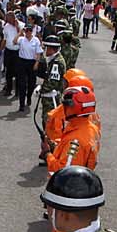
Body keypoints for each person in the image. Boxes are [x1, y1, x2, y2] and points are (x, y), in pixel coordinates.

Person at [45, 86, 100, 232]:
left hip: (68, 194)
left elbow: (63, 171)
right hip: (84, 183)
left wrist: (48, 154)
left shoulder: (75, 139)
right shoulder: (91, 129)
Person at [34, 36, 67, 164]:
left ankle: (52, 156)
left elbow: (52, 83)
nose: (44, 50)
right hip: (48, 99)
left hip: (51, 100)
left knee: (51, 129)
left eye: (46, 48)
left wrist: (40, 89)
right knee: (47, 128)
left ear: (51, 49)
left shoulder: (57, 63)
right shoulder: (53, 60)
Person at [14, 22, 41, 112]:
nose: (28, 32)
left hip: (32, 62)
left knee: (31, 83)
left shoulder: (36, 40)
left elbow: (38, 53)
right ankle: (21, 104)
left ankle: (29, 96)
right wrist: (19, 33)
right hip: (22, 62)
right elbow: (14, 41)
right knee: (22, 84)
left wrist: (37, 63)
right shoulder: (21, 39)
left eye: (29, 30)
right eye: (26, 30)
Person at [1, 10, 21, 97]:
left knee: (18, 72)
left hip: (17, 52)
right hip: (8, 51)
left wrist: (17, 27)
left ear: (13, 17)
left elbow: (23, 36)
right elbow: (5, 39)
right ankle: (8, 89)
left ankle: (17, 91)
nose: (7, 20)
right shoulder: (6, 26)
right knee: (8, 71)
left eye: (9, 18)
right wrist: (1, 48)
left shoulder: (21, 25)